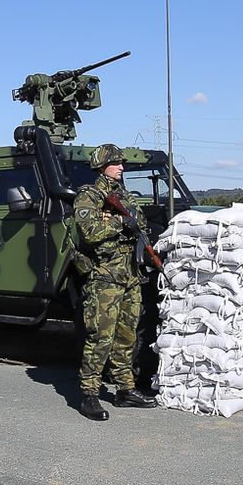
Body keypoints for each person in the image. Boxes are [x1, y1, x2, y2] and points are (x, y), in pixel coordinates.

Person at [71, 143, 157, 421]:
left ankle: (125, 389)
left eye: (122, 163)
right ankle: (89, 395)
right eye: (116, 163)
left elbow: (141, 226)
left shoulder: (125, 196)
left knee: (127, 336)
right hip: (105, 277)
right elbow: (88, 231)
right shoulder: (89, 195)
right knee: (100, 337)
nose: (122, 167)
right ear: (102, 166)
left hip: (130, 275)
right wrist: (120, 224)